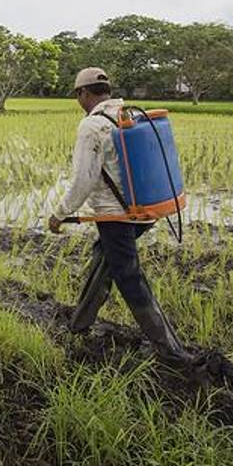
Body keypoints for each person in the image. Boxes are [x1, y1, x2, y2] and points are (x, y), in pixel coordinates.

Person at [48, 67, 193, 367]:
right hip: (145, 209)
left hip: (116, 216)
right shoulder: (128, 114)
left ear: (83, 93)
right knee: (105, 257)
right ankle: (79, 322)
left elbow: (83, 180)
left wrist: (59, 214)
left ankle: (172, 351)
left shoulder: (92, 126)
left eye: (77, 95)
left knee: (129, 277)